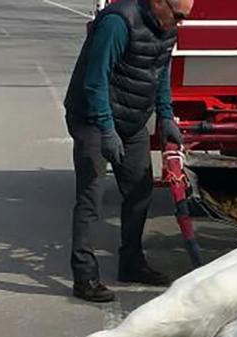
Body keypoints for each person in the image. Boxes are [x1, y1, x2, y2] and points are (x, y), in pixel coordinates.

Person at [63, 0, 192, 303]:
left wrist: (165, 115)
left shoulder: (167, 27)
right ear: (159, 3)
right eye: (179, 15)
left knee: (139, 190)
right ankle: (84, 277)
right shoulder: (118, 23)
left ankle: (131, 262)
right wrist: (106, 130)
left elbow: (160, 74)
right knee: (91, 198)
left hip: (132, 119)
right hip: (91, 117)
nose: (181, 23)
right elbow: (95, 80)